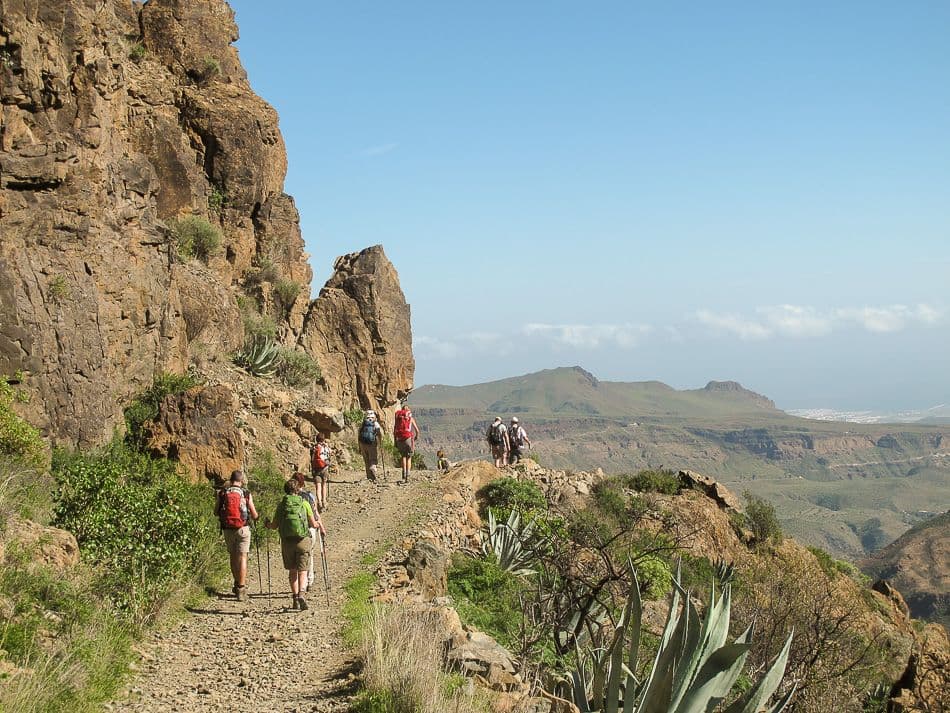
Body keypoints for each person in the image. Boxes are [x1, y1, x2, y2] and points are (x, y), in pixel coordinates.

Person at [265, 477, 325, 611]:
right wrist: (318, 525)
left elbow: (274, 526)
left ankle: (295, 597)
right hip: (303, 541)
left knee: (292, 572)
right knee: (303, 570)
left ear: (285, 490)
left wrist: (267, 524)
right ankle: (302, 594)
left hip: (287, 543)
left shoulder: (282, 505)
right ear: (298, 489)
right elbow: (313, 523)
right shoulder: (304, 504)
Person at [215, 469, 259, 602]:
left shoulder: (222, 493)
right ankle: (241, 588)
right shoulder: (245, 493)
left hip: (228, 529)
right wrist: (256, 517)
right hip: (243, 529)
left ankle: (236, 583)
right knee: (243, 557)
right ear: (241, 480)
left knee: (233, 556)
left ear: (231, 479)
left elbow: (216, 512)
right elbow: (254, 514)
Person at [292, 468, 318, 592]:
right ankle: (309, 580)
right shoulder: (309, 496)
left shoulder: (288, 499)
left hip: (293, 532)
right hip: (309, 530)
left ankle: (297, 587)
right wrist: (320, 526)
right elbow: (315, 514)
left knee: (295, 561)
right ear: (303, 483)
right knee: (309, 555)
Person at [393, 402, 420, 483]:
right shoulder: (410, 419)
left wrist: (395, 440)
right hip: (408, 438)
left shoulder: (398, 419)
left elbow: (394, 430)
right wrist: (416, 437)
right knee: (409, 457)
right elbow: (417, 430)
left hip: (399, 438)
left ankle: (403, 474)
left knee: (403, 456)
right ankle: (408, 474)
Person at [357, 409, 383, 481]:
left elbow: (359, 434)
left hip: (362, 443)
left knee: (366, 460)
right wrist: (380, 442)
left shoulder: (363, 423)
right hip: (372, 444)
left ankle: (369, 477)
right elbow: (379, 433)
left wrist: (359, 446)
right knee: (373, 459)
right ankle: (373, 470)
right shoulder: (375, 423)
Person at [310, 433, 331, 511]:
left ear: (316, 439)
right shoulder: (325, 447)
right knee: (324, 485)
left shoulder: (314, 448)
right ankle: (324, 502)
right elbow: (329, 455)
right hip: (325, 468)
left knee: (318, 487)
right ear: (323, 439)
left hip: (316, 469)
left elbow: (311, 459)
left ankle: (319, 502)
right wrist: (327, 446)